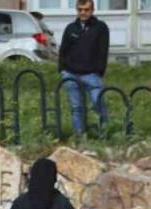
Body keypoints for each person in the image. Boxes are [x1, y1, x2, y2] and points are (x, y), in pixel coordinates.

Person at [58, 0, 109, 136]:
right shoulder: (70, 28)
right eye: (80, 10)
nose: (83, 13)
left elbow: (103, 51)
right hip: (70, 74)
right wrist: (62, 70)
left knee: (99, 105)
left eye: (86, 10)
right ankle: (79, 137)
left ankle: (104, 135)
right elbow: (63, 50)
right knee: (76, 108)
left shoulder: (101, 27)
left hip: (91, 75)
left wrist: (99, 71)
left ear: (92, 10)